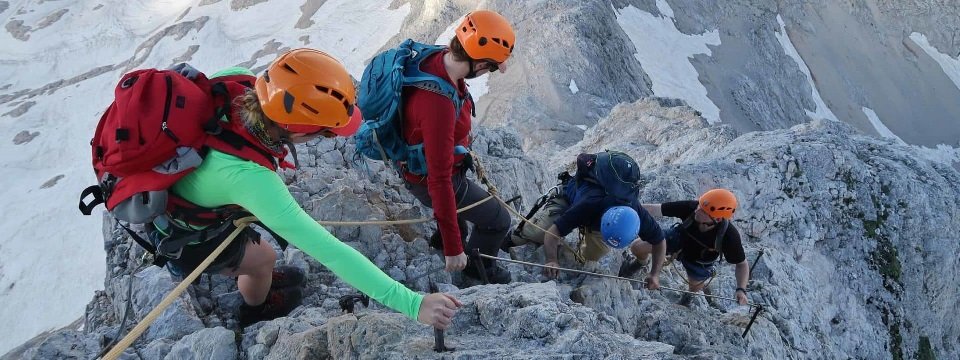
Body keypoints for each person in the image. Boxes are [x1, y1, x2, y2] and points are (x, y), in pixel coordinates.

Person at [155, 49, 461, 328]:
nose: (328, 138)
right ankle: (255, 309)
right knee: (264, 258)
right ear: (298, 129)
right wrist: (414, 304)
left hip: (178, 183)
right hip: (184, 232)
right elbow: (332, 252)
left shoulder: (237, 81)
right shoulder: (253, 181)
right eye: (326, 133)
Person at [398, 10, 517, 284]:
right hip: (432, 178)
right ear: (479, 61)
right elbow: (439, 180)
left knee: (460, 217)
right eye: (490, 66)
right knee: (498, 220)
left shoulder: (439, 58)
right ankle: (476, 268)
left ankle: (446, 235)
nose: (489, 71)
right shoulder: (437, 104)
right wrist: (454, 249)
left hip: (418, 169)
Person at [506, 151, 666, 289]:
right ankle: (509, 239)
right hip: (569, 200)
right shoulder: (589, 203)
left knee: (592, 258)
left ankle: (576, 251)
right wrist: (551, 260)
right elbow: (552, 232)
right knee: (534, 232)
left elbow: (660, 242)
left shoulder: (636, 211)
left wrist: (655, 274)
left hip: (597, 218)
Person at [620, 188, 750, 305]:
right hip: (677, 240)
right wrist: (627, 208)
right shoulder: (692, 207)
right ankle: (641, 262)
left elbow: (742, 264)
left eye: (703, 212)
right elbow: (655, 209)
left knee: (695, 287)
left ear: (717, 219)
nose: (697, 210)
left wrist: (741, 289)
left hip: (699, 261)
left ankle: (688, 298)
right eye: (699, 205)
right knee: (636, 246)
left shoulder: (729, 236)